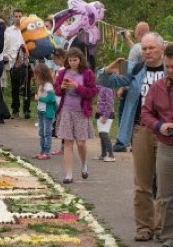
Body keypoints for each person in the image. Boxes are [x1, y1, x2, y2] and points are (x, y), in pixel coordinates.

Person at [97, 33, 165, 241]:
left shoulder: (170, 71)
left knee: (164, 184)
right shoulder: (136, 70)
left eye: (151, 48)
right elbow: (105, 80)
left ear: (162, 49)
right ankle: (144, 227)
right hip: (141, 129)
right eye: (144, 48)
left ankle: (163, 229)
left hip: (165, 132)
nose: (147, 52)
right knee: (142, 182)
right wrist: (108, 69)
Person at [140, 43, 173, 247]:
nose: (170, 71)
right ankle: (170, 238)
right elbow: (145, 113)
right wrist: (160, 126)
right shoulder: (158, 87)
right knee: (165, 194)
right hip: (166, 145)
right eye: (167, 67)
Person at [54, 47, 97, 184]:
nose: (72, 62)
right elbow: (56, 90)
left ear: (80, 60)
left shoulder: (87, 73)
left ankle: (84, 164)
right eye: (70, 60)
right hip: (66, 110)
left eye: (75, 60)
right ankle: (68, 174)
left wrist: (77, 86)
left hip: (81, 112)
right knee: (67, 142)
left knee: (81, 143)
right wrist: (62, 88)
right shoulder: (62, 73)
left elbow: (92, 92)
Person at [5, 10, 31, 119]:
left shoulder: (28, 29)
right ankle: (15, 110)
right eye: (16, 16)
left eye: (20, 16)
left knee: (27, 87)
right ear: (12, 17)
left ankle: (27, 110)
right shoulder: (8, 31)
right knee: (15, 88)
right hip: (13, 63)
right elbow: (6, 46)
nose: (18, 18)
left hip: (26, 62)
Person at [32, 62, 56, 160]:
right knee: (41, 132)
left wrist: (39, 98)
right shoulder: (41, 85)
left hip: (47, 112)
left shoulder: (48, 86)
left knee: (47, 132)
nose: (35, 77)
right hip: (41, 111)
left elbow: (51, 99)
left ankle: (47, 152)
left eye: (37, 75)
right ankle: (42, 151)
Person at [95, 84, 115, 162]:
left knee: (104, 133)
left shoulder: (108, 88)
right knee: (101, 134)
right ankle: (103, 154)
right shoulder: (101, 87)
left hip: (107, 115)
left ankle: (111, 155)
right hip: (100, 114)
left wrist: (106, 116)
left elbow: (109, 103)